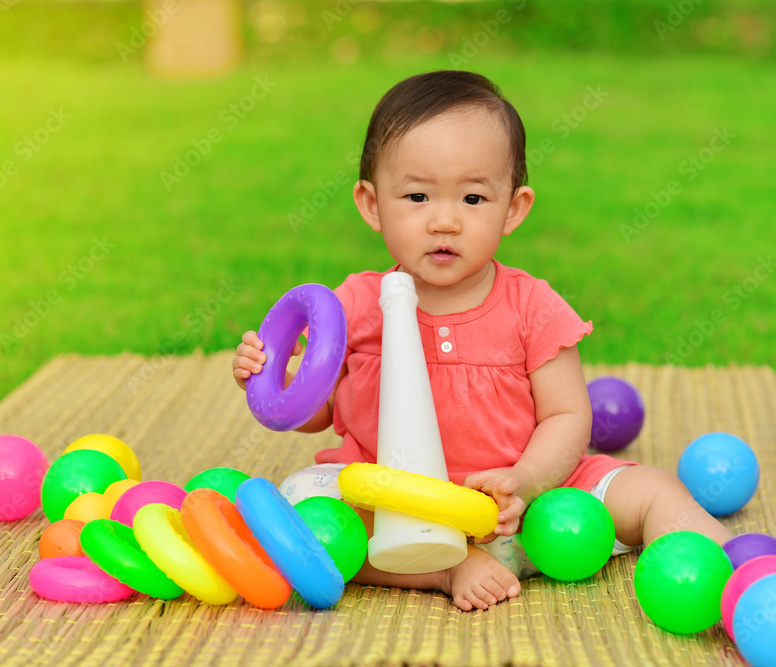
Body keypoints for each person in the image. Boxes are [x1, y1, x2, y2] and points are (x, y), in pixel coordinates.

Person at [232, 70, 732, 611]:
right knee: (307, 503)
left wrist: (528, 481)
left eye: (472, 199)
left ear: (512, 209)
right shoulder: (354, 304)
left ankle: (731, 573)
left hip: (525, 512)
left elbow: (567, 418)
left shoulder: (533, 307)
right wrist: (271, 378)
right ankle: (443, 570)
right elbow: (318, 411)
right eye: (418, 196)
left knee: (651, 489)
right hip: (394, 509)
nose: (444, 221)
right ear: (372, 204)